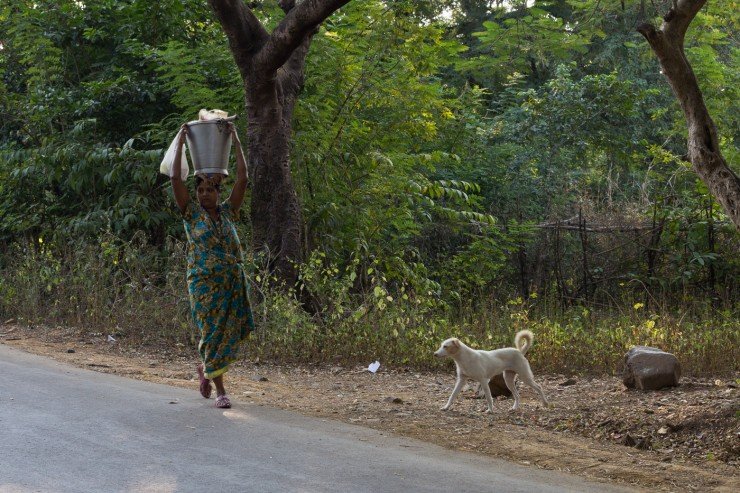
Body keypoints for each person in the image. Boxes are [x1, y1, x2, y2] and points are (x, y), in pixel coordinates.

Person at [170, 122, 254, 409]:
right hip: (203, 285)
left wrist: (235, 139)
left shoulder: (228, 212)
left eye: (210, 190)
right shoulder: (190, 215)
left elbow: (243, 178)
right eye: (201, 190)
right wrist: (181, 142)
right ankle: (221, 391)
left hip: (229, 283)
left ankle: (205, 370)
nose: (204, 194)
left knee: (224, 332)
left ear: (218, 192)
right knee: (211, 332)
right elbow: (175, 180)